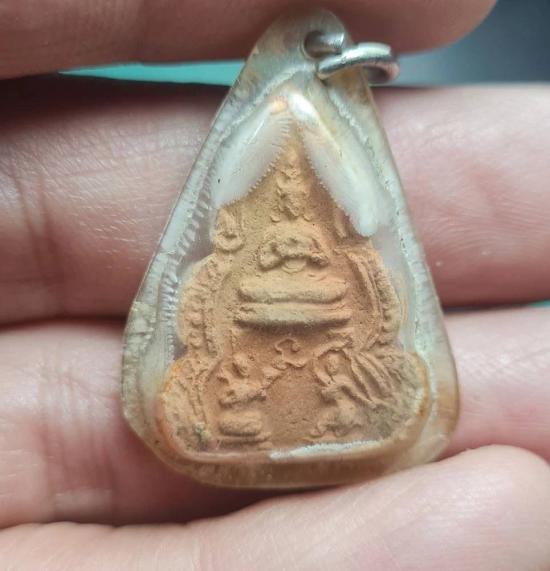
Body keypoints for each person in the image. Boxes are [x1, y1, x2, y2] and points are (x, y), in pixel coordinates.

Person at [1, 0, 550, 568]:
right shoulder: (237, 315)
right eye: (282, 196)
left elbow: (348, 244)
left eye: (297, 195)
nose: (290, 199)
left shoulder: (335, 264)